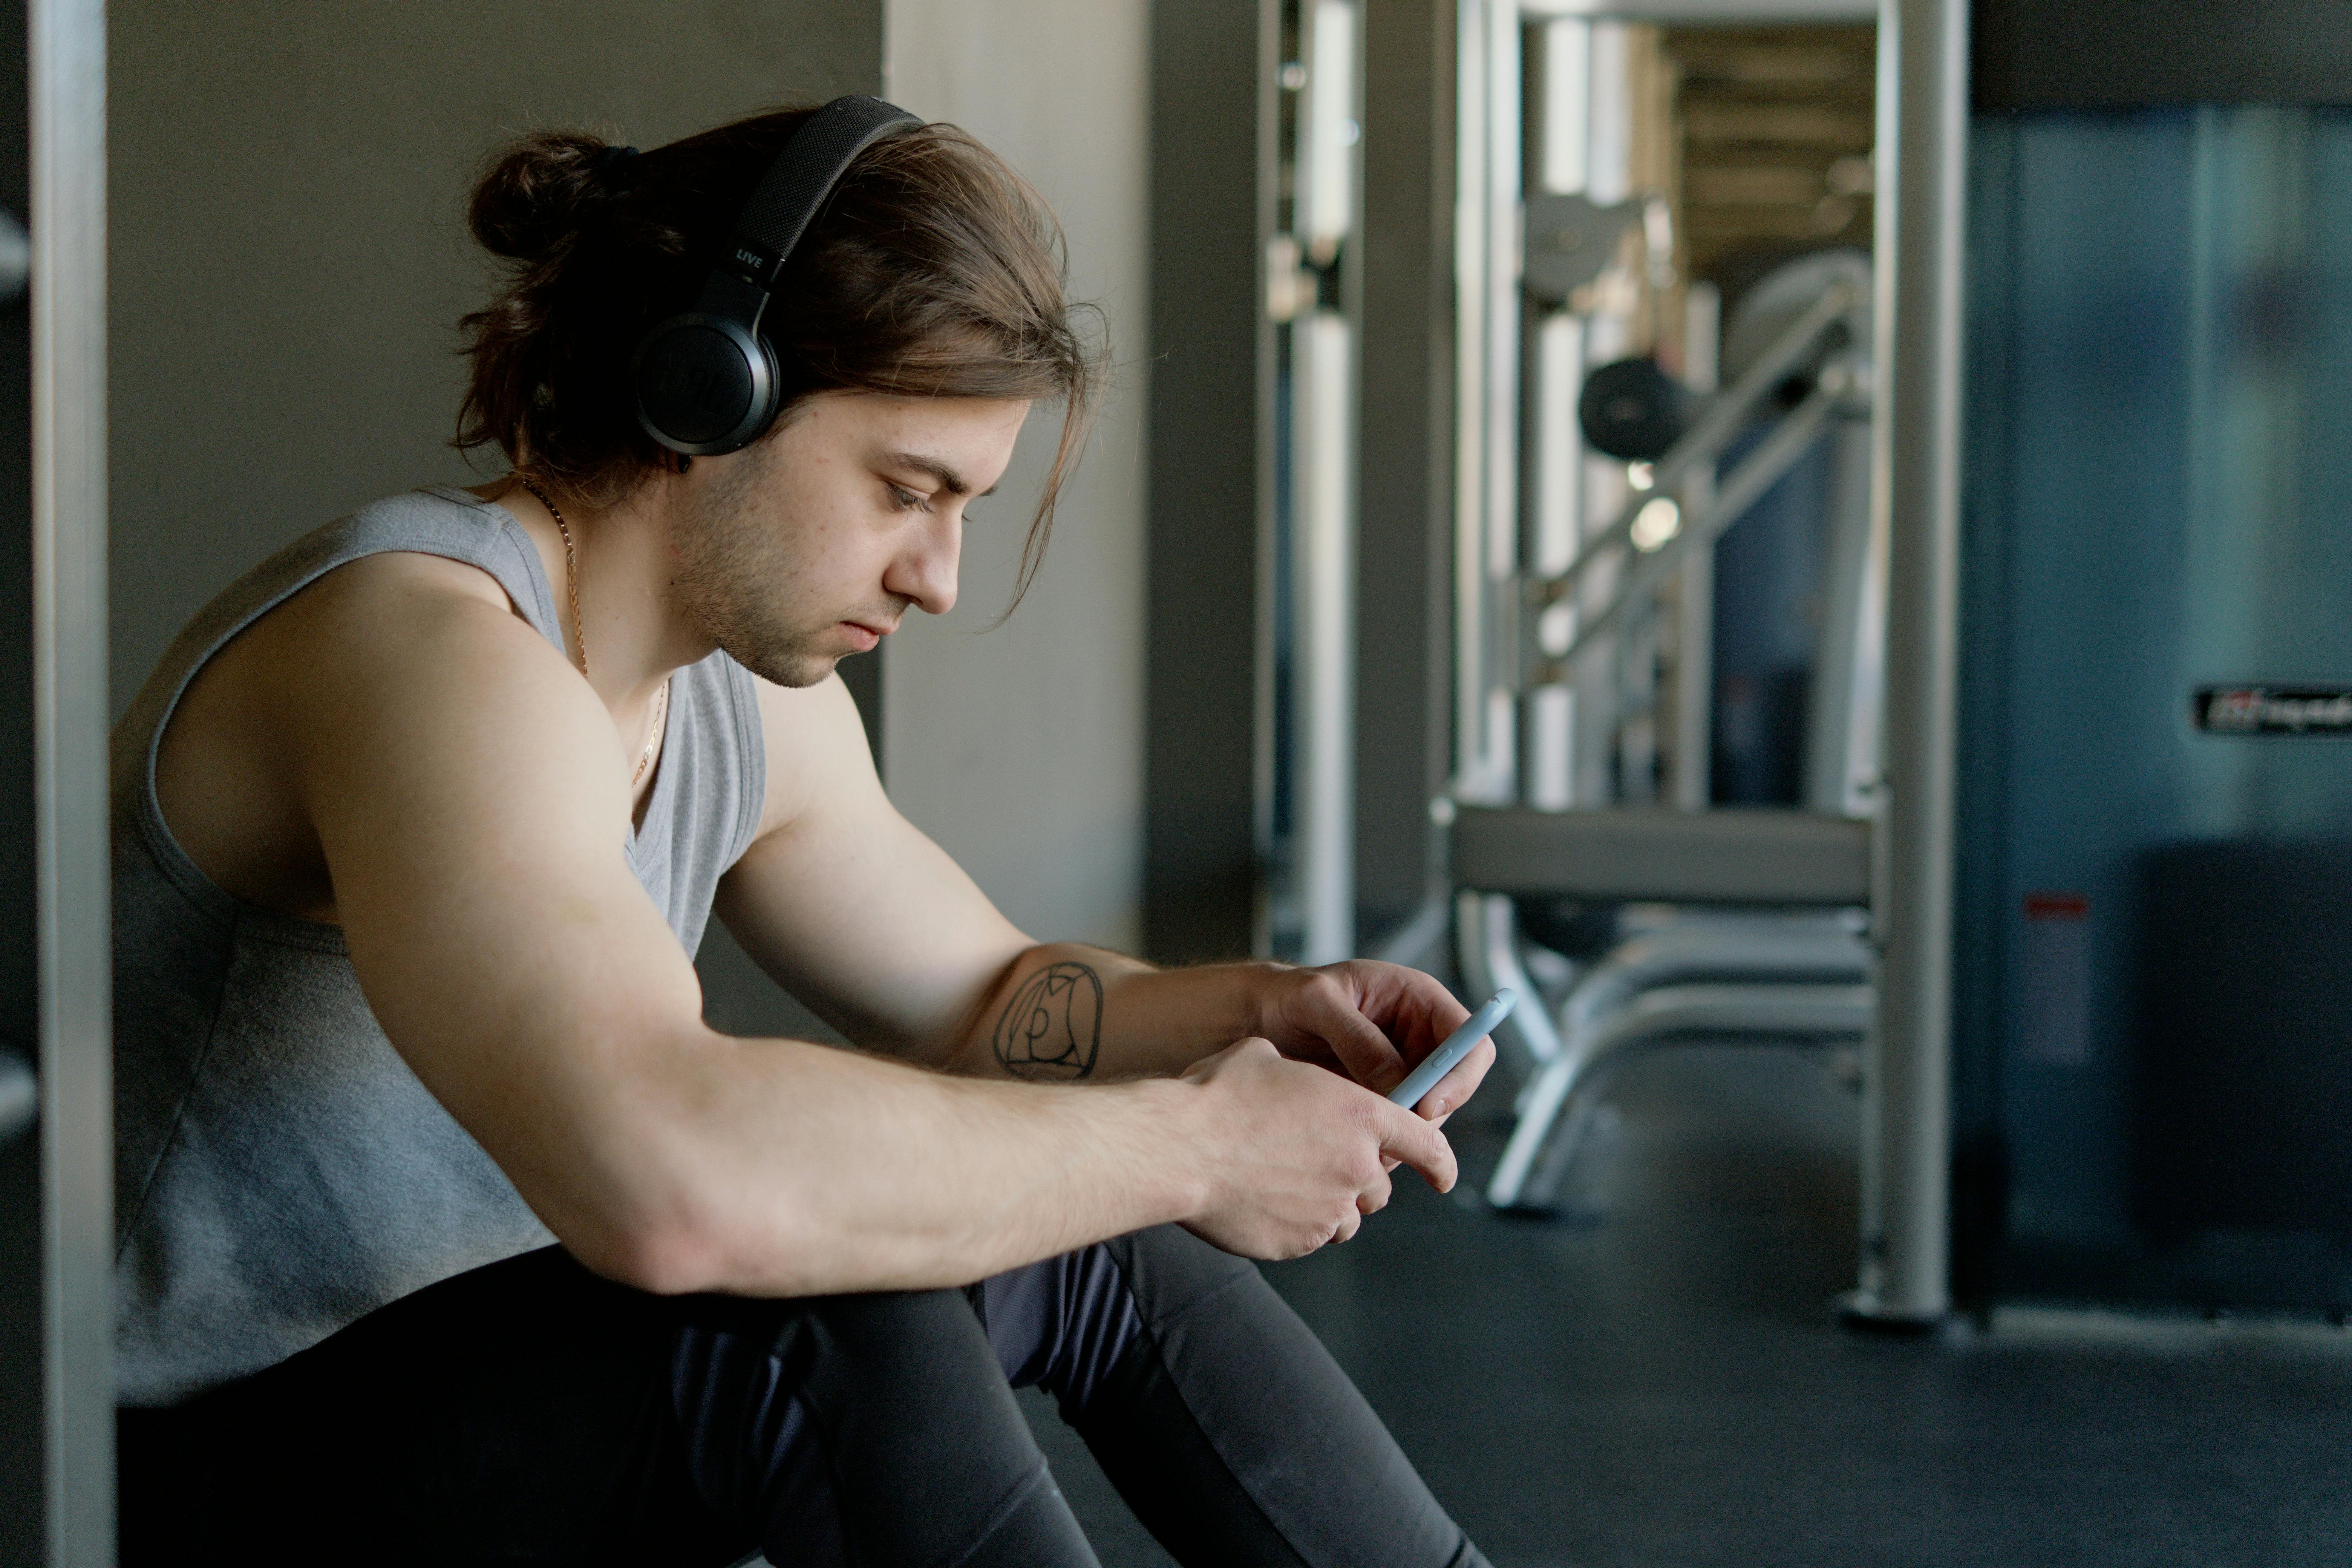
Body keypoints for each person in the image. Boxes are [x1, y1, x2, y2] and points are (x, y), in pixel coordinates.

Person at [112, 99, 1496, 1568]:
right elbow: (663, 1171)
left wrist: (1260, 1015)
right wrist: (1195, 1142)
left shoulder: (736, 700)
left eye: (963, 510)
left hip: (474, 1420)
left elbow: (989, 1002)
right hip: (172, 1469)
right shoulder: (429, 656)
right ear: (705, 393)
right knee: (830, 1306)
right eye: (906, 492)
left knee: (1075, 1216)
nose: (939, 577)